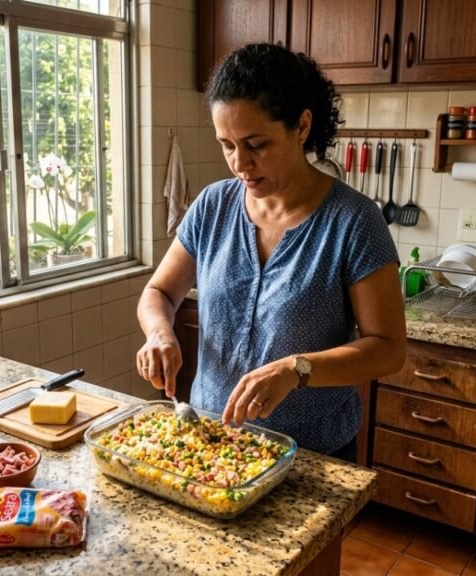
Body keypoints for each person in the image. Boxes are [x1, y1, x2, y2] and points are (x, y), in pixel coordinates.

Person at [135, 43, 407, 461]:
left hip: (311, 455)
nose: (239, 162)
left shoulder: (353, 221)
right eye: (226, 144)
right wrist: (159, 332)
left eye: (256, 144)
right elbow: (160, 293)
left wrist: (295, 370)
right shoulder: (212, 206)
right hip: (209, 441)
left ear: (301, 126)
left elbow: (388, 348)